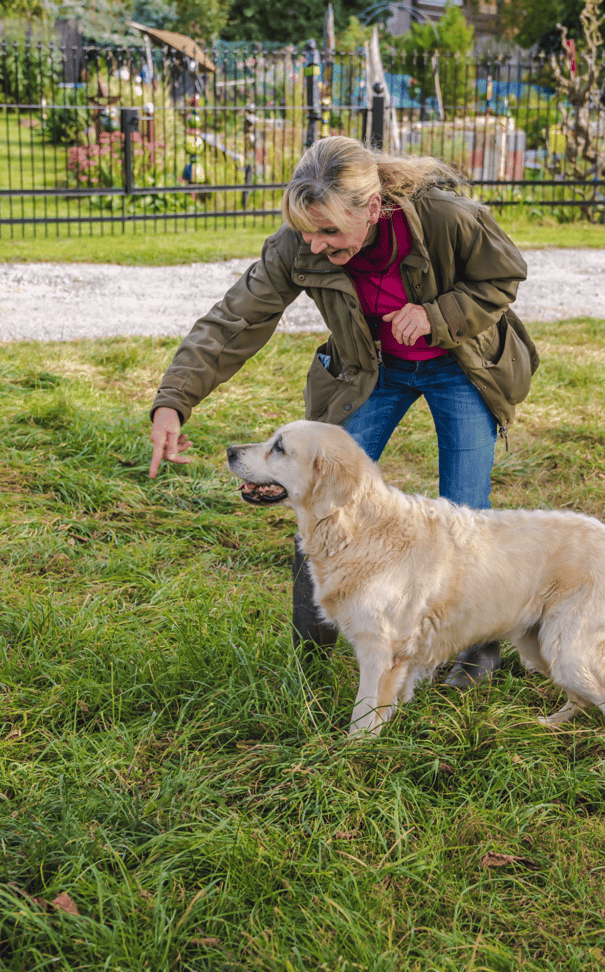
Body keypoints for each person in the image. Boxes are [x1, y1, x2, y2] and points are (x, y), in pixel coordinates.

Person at [149, 137, 539, 687]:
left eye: (329, 231)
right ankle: (314, 645)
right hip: (370, 371)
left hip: (460, 364)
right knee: (315, 487)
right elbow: (233, 320)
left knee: (467, 510)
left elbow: (503, 276)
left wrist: (434, 315)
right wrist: (174, 402)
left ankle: (475, 652)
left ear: (372, 209)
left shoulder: (445, 217)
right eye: (307, 230)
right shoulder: (300, 243)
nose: (314, 243)